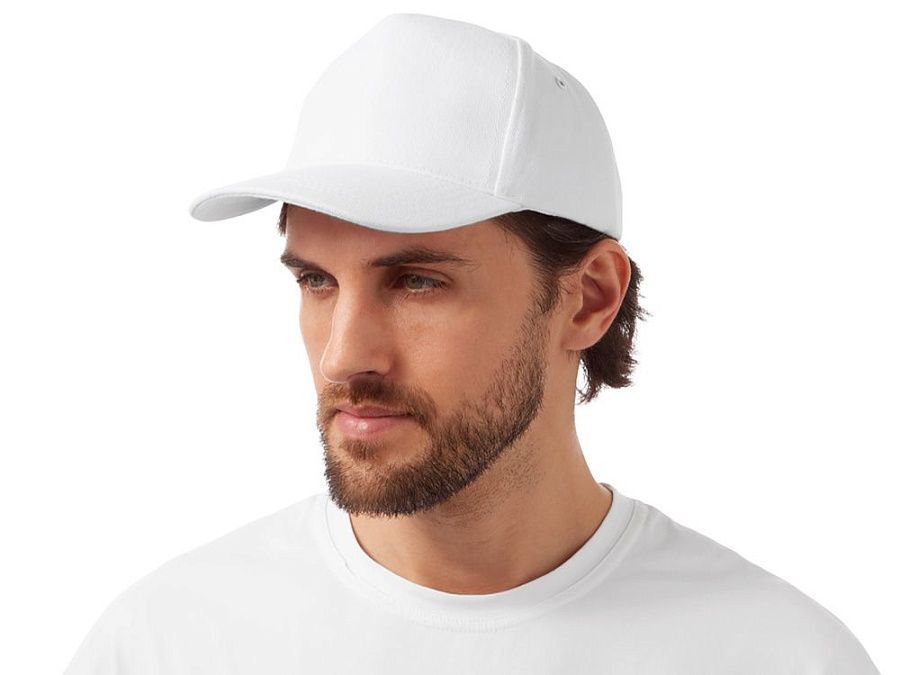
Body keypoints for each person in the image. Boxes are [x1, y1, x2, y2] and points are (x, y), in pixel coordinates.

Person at [64, 12, 880, 674]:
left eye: (417, 281)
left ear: (589, 298)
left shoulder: (776, 656)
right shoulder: (168, 644)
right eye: (317, 280)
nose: (344, 356)